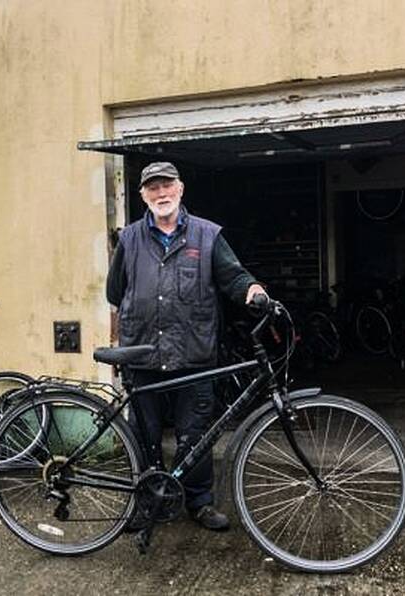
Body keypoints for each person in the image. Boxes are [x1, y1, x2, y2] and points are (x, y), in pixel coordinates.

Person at [106, 161, 266, 531]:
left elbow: (234, 277)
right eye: (153, 188)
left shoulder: (207, 235)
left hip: (194, 356)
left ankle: (199, 502)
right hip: (142, 355)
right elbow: (115, 291)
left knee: (195, 434)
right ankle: (147, 501)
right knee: (143, 435)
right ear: (143, 195)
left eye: (167, 186)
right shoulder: (129, 239)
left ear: (180, 189)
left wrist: (254, 290)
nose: (161, 193)